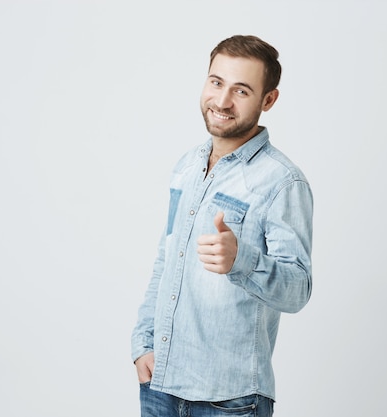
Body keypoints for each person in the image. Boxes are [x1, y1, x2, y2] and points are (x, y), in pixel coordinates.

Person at [130, 35, 313, 417]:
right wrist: (143, 342)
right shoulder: (186, 166)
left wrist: (241, 260)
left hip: (229, 400)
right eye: (216, 82)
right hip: (159, 384)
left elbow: (298, 289)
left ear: (268, 100)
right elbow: (167, 260)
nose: (223, 101)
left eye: (241, 90)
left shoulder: (281, 182)